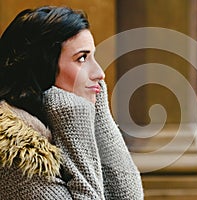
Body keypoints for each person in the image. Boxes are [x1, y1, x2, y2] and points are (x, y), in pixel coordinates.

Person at [0, 6, 143, 199]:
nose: (100, 74)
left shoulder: (55, 120)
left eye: (94, 57)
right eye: (82, 58)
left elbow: (129, 196)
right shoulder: (16, 152)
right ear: (43, 68)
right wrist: (71, 114)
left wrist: (99, 111)